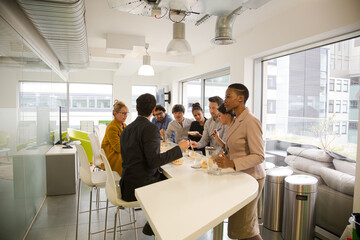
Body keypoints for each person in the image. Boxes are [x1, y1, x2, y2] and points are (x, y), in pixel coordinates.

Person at [120, 93, 189, 236]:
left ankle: (155, 221)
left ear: (137, 108)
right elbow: (154, 161)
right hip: (141, 186)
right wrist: (179, 149)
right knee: (178, 184)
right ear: (153, 110)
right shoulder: (150, 128)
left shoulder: (126, 129)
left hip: (127, 184)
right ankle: (165, 227)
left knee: (169, 179)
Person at [216, 83, 265, 240]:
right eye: (225, 96)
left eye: (228, 96)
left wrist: (232, 163)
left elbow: (259, 155)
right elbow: (233, 149)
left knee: (246, 228)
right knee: (242, 226)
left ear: (241, 98)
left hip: (252, 178)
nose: (225, 101)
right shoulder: (237, 120)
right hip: (240, 177)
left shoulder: (251, 121)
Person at [101, 100, 128, 176]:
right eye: (123, 113)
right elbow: (118, 147)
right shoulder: (112, 127)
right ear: (115, 114)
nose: (125, 115)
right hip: (112, 156)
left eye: (126, 113)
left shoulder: (124, 125)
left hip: (119, 153)